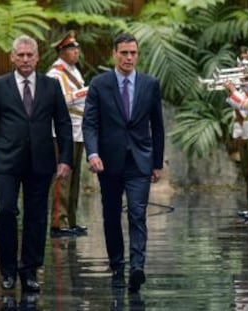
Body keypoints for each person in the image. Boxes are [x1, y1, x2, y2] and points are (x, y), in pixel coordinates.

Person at [0, 35, 73, 292]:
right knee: (5, 212)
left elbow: (63, 123)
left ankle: (29, 271)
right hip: (7, 160)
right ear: (12, 57)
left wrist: (65, 159)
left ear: (38, 57)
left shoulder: (51, 86)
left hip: (40, 162)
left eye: (30, 55)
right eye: (20, 55)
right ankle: (7, 270)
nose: (26, 59)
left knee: (37, 218)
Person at [82, 33, 165, 292]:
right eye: (124, 53)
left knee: (138, 213)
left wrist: (157, 162)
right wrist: (93, 153)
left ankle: (137, 266)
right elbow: (90, 123)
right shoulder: (99, 84)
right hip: (109, 161)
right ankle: (117, 264)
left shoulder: (150, 84)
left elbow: (158, 126)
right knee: (110, 214)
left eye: (133, 53)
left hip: (140, 160)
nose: (129, 57)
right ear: (115, 54)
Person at [47, 30, 88, 238]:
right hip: (62, 132)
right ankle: (58, 222)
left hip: (78, 130)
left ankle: (71, 219)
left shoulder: (74, 72)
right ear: (61, 51)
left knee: (74, 179)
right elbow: (62, 99)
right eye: (71, 48)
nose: (76, 52)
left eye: (77, 48)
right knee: (62, 178)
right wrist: (86, 91)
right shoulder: (56, 74)